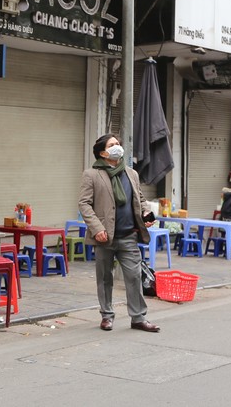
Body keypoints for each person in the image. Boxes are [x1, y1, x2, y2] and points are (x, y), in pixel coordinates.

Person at [78, 133, 160, 333]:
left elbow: (140, 199)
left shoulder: (131, 173)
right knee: (105, 278)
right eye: (112, 144)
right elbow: (84, 204)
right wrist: (97, 228)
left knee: (134, 277)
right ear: (103, 152)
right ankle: (107, 315)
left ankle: (138, 318)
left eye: (118, 144)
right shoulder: (92, 174)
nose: (118, 147)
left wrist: (146, 213)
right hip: (105, 237)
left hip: (128, 236)